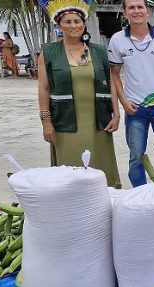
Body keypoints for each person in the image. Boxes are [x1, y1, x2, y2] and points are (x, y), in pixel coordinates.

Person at [36, 0, 121, 187]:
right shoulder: (49, 53)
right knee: (70, 171)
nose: (73, 26)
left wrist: (116, 114)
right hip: (65, 123)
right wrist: (46, 122)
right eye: (67, 22)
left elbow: (111, 84)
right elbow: (44, 88)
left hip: (98, 122)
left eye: (77, 21)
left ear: (84, 23)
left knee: (100, 168)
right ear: (59, 25)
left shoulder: (98, 51)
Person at [108, 0, 154, 187]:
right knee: (136, 157)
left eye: (140, 7)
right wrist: (123, 102)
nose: (136, 11)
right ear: (125, 13)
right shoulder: (117, 40)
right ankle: (139, 196)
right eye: (131, 7)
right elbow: (114, 74)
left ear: (148, 11)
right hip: (135, 108)